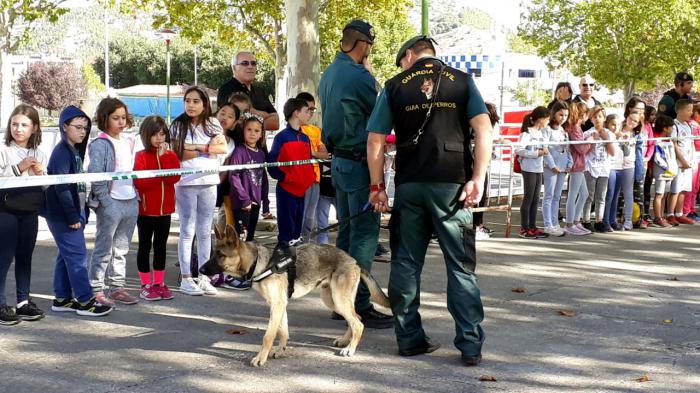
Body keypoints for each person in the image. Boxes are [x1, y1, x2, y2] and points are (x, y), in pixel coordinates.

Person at [367, 35, 493, 366]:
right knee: (460, 266)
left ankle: (408, 338)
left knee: (406, 262)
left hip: (410, 184)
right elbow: (483, 129)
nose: (403, 66)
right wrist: (477, 179)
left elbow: (375, 140)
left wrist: (376, 185)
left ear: (409, 55)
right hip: (452, 184)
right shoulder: (462, 81)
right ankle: (469, 344)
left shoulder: (395, 85)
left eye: (402, 61)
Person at [317, 19, 393, 328]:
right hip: (360, 163)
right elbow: (380, 116)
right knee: (364, 235)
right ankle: (358, 303)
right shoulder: (360, 76)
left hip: (340, 163)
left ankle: (340, 301)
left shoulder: (329, 73)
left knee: (346, 233)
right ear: (363, 45)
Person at [46, 106, 113, 317]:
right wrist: (73, 216)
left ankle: (63, 298)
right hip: (64, 216)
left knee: (65, 256)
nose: (83, 132)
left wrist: (81, 211)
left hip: (74, 213)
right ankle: (85, 301)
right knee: (77, 257)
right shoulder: (61, 153)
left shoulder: (73, 150)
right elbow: (62, 188)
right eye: (78, 127)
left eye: (85, 127)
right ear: (64, 127)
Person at [170, 86, 227, 296]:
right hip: (185, 183)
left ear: (204, 104)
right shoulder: (177, 125)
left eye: (195, 101)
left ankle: (204, 276)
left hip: (209, 181)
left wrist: (193, 147)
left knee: (205, 231)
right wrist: (204, 148)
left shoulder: (213, 123)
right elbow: (178, 153)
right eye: (188, 101)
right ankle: (186, 278)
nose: (191, 105)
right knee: (187, 230)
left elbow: (221, 149)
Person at [87, 98, 139, 306]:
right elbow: (96, 174)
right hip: (111, 202)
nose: (120, 122)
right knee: (103, 248)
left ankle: (117, 287)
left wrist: (136, 197)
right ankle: (96, 289)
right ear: (104, 118)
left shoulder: (128, 141)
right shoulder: (100, 143)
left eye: (123, 118)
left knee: (122, 249)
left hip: (130, 200)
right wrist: (105, 201)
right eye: (115, 118)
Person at [0, 104, 47, 325]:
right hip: (6, 210)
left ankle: (22, 301)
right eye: (15, 124)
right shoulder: (3, 149)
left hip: (30, 211)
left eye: (24, 125)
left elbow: (47, 186)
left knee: (25, 257)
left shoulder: (39, 153)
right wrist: (18, 168)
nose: (18, 129)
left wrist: (41, 174)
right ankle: (0, 303)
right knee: (4, 258)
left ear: (35, 128)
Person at [133, 115, 181, 301]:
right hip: (146, 211)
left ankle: (159, 283)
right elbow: (141, 182)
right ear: (146, 135)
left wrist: (164, 159)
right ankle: (145, 284)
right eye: (155, 135)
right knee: (144, 247)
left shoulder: (170, 155)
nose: (159, 138)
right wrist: (159, 174)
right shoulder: (141, 156)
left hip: (165, 211)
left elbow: (174, 177)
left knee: (161, 247)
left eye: (162, 134)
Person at [267, 98, 315, 250]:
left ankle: (294, 262)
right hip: (287, 190)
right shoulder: (281, 137)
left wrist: (309, 178)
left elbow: (307, 162)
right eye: (306, 111)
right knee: (286, 231)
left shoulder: (306, 138)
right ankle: (283, 259)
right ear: (296, 113)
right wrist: (286, 178)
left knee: (297, 230)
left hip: (302, 191)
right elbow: (272, 164)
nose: (309, 114)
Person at [296, 92, 331, 241]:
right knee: (300, 216)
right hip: (300, 180)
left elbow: (322, 150)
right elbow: (301, 152)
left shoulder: (315, 130)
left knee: (310, 218)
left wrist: (319, 151)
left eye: (313, 109)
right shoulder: (295, 130)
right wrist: (316, 154)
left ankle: (305, 245)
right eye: (308, 109)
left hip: (315, 178)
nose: (310, 113)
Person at [217, 51, 279, 131]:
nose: (250, 66)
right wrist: (265, 115)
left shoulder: (259, 91)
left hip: (259, 143)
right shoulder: (226, 90)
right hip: (236, 143)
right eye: (245, 63)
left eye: (253, 63)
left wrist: (251, 111)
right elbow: (232, 122)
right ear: (234, 67)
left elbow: (275, 123)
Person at [516, 106, 550, 239]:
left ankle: (532, 226)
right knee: (528, 198)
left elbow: (544, 149)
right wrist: (537, 153)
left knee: (536, 199)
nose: (547, 121)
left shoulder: (541, 134)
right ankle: (524, 228)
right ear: (540, 119)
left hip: (538, 168)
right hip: (528, 168)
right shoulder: (527, 133)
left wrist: (543, 151)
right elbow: (519, 150)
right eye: (546, 119)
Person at [603, 111, 639, 231]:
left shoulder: (620, 136)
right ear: (607, 124)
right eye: (613, 124)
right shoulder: (607, 135)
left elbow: (627, 153)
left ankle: (613, 220)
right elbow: (611, 152)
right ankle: (605, 221)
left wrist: (624, 142)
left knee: (616, 196)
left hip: (619, 168)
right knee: (609, 195)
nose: (616, 127)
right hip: (610, 168)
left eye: (618, 125)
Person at [581, 108, 614, 232]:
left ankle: (599, 221)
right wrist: (593, 141)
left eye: (600, 116)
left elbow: (612, 152)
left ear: (604, 118)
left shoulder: (608, 133)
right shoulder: (588, 133)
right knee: (589, 195)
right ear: (591, 119)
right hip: (590, 167)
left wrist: (606, 139)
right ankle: (586, 220)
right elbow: (584, 152)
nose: (597, 119)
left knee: (601, 196)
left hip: (604, 168)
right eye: (595, 117)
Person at [563, 102, 594, 235]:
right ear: (584, 114)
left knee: (584, 194)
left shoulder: (577, 128)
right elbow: (581, 148)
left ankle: (575, 221)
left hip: (579, 164)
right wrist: (591, 141)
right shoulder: (575, 128)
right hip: (576, 164)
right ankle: (570, 223)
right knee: (573, 194)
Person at [541, 101, 571, 236]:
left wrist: (569, 163)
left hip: (562, 167)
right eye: (560, 115)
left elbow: (567, 148)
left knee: (557, 197)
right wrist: (552, 165)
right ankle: (548, 224)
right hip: (551, 167)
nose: (563, 118)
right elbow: (545, 149)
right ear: (554, 114)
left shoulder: (563, 130)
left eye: (565, 115)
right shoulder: (547, 130)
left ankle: (555, 223)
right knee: (549, 195)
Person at [472, 102, 501, 240]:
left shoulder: (485, 128)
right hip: (473, 163)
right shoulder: (475, 127)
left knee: (482, 195)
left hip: (480, 164)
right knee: (478, 195)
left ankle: (478, 224)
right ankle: (475, 226)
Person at [668, 99, 695, 225]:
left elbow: (691, 143)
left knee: (684, 189)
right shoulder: (674, 125)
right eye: (688, 110)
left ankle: (679, 213)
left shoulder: (688, 125)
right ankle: (670, 214)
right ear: (679, 110)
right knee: (676, 189)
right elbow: (674, 144)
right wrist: (682, 161)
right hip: (679, 164)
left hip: (688, 163)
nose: (691, 113)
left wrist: (691, 160)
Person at [215, 101, 242, 229]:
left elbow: (226, 170)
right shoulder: (203, 135)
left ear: (235, 123)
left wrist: (214, 183)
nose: (225, 118)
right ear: (216, 114)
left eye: (230, 116)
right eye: (223, 113)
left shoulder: (232, 144)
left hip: (213, 186)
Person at [651, 115, 678, 228]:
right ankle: (657, 217)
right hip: (661, 173)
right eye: (670, 127)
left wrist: (673, 168)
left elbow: (672, 157)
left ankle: (662, 216)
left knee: (665, 195)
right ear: (665, 128)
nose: (672, 129)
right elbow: (658, 158)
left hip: (670, 172)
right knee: (659, 194)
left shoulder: (670, 141)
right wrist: (666, 167)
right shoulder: (657, 142)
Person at [636, 106, 657, 228]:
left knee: (647, 190)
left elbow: (651, 144)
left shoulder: (649, 126)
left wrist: (648, 157)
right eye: (652, 114)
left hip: (647, 162)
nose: (654, 116)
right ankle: (638, 215)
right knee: (638, 190)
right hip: (637, 162)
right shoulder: (638, 125)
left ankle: (645, 214)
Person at [684, 103, 700, 221]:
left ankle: (691, 208)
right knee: (691, 185)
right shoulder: (692, 125)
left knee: (696, 186)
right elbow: (696, 143)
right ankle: (686, 210)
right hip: (693, 157)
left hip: (697, 157)